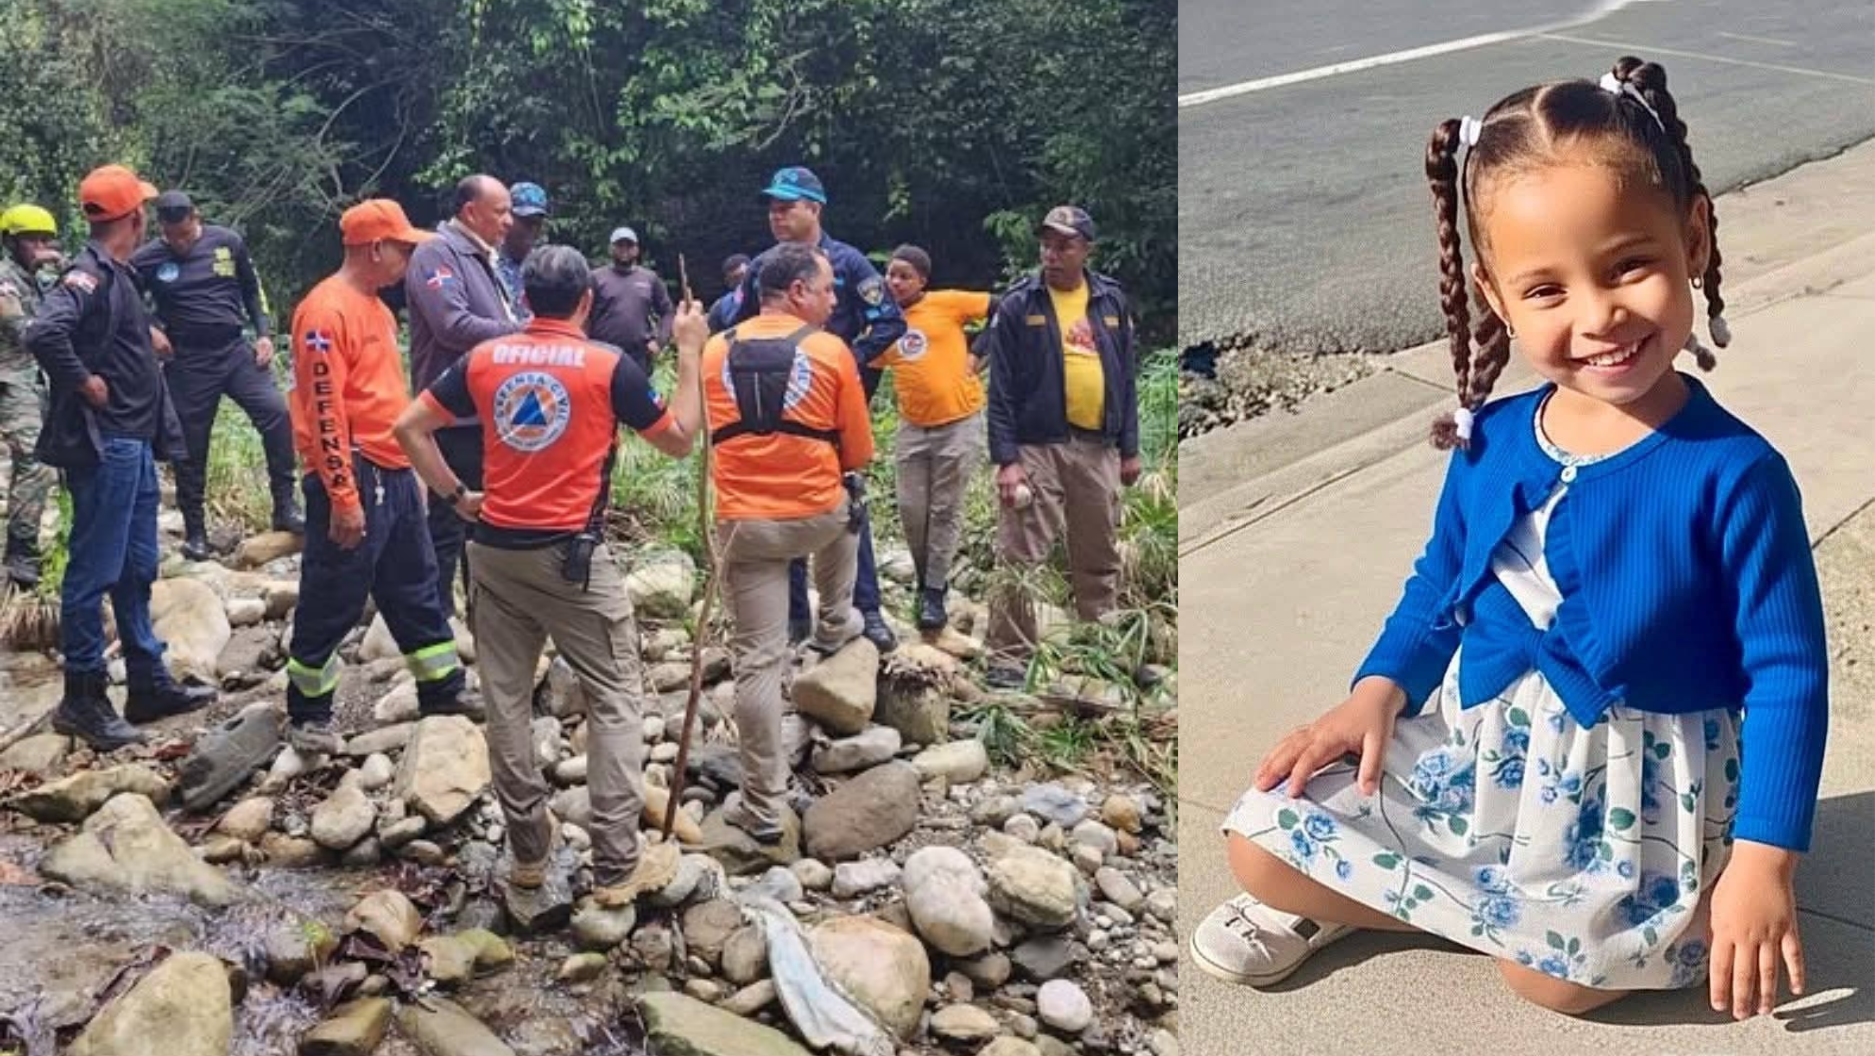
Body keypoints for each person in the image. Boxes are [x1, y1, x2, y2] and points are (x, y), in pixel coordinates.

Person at [1194, 58, 1825, 1022]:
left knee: (1555, 984)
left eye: (1628, 265)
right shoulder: (1489, 440)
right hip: (1481, 755)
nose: (1596, 315)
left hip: (1636, 795)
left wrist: (1762, 862)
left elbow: (1787, 674)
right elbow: (1439, 582)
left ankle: (1415, 900)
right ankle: (1460, 901)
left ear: (1692, 235)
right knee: (1256, 841)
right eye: (1547, 290)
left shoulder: (1732, 472)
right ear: (1494, 295)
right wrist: (1375, 691)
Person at [395, 245, 708, 902]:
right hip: (569, 559)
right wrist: (688, 351)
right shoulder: (605, 365)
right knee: (615, 699)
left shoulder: (485, 358)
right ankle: (618, 862)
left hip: (492, 551)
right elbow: (680, 438)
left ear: (524, 300)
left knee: (506, 704)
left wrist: (456, 496)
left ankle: (529, 855)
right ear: (587, 302)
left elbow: (409, 427)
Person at [23, 165, 215, 749]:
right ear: (134, 217)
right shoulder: (87, 275)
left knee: (135, 567)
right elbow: (44, 333)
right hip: (106, 443)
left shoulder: (117, 274)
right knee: (93, 569)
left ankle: (147, 679)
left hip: (133, 438)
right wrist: (85, 382)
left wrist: (147, 333)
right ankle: (82, 697)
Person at [282, 200, 471, 753]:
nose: (409, 260)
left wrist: (411, 468)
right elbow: (324, 411)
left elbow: (389, 396)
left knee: (415, 583)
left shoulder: (378, 311)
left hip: (391, 468)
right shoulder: (325, 312)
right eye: (404, 249)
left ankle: (443, 689)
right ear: (375, 248)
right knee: (333, 592)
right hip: (355, 470)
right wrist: (343, 496)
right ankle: (309, 713)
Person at [707, 242, 873, 843]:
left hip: (744, 528)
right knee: (852, 504)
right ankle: (833, 622)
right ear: (798, 291)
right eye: (827, 289)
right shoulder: (831, 351)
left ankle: (762, 804)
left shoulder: (711, 350)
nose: (834, 300)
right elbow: (858, 452)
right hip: (816, 518)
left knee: (757, 664)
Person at [732, 166, 905, 652]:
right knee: (783, 499)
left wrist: (846, 363)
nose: (777, 214)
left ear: (815, 210)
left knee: (849, 502)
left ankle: (865, 610)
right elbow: (739, 323)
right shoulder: (765, 267)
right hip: (772, 405)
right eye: (772, 206)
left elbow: (889, 322)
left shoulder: (848, 264)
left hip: (832, 406)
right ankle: (792, 618)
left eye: (787, 206)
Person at [981, 205, 1141, 686]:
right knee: (1020, 552)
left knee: (1099, 548)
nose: (1051, 254)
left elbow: (1126, 378)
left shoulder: (1110, 301)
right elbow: (1001, 388)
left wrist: (1129, 448)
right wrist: (1006, 460)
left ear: (1086, 249)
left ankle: (1100, 645)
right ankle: (1008, 657)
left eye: (1063, 245)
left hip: (1098, 447)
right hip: (1037, 445)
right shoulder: (1019, 304)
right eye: (1046, 244)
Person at [131, 190, 301, 558]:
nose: (180, 242)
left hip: (234, 350)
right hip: (187, 358)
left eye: (186, 234)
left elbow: (252, 292)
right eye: (172, 236)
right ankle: (195, 531)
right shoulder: (147, 259)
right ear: (161, 228)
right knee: (191, 445)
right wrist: (149, 328)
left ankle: (285, 506)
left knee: (277, 414)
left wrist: (264, 335)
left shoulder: (227, 242)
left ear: (196, 217)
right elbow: (124, 301)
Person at [405, 175, 522, 620]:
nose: (508, 222)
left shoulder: (484, 257)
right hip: (454, 415)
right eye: (501, 211)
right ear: (470, 211)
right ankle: (435, 624)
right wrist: (520, 334)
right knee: (449, 523)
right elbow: (451, 324)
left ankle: (483, 614)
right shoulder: (438, 253)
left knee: (483, 522)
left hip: (487, 413)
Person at [875, 244, 992, 630]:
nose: (895, 282)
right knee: (911, 510)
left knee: (945, 510)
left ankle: (933, 592)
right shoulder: (882, 321)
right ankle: (927, 580)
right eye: (891, 274)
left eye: (904, 275)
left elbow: (1006, 309)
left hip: (958, 422)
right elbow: (865, 362)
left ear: (922, 280)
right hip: (912, 426)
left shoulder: (948, 303)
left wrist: (978, 354)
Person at [0, 204, 63, 586]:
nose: (41, 247)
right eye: (31, 240)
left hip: (34, 379)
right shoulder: (5, 282)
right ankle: (21, 555)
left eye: (45, 240)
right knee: (35, 463)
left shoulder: (34, 280)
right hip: (10, 379)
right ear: (11, 241)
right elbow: (25, 332)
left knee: (52, 460)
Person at [587, 226, 673, 375]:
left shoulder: (649, 278)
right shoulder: (596, 278)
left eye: (629, 245)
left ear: (636, 249)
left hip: (638, 356)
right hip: (602, 354)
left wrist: (659, 341)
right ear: (611, 249)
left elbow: (667, 312)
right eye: (620, 245)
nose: (625, 249)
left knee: (637, 397)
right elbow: (582, 313)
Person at [495, 181, 550, 322]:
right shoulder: (487, 262)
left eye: (537, 223)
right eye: (525, 222)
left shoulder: (543, 265)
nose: (532, 229)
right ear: (507, 218)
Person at [706, 253, 750, 334]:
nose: (742, 282)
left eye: (744, 276)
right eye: (736, 278)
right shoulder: (720, 308)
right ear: (728, 282)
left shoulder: (768, 301)